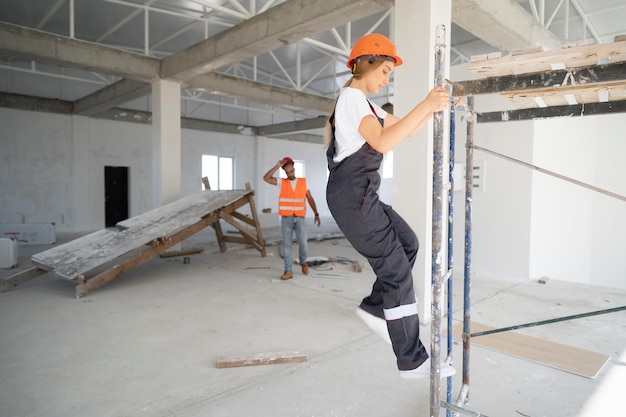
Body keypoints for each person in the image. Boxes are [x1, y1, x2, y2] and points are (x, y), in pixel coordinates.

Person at [325, 33, 457, 379]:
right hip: (352, 197)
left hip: (361, 194)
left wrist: (436, 107)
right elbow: (383, 142)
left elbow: (406, 130)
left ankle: (375, 309)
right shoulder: (352, 98)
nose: (386, 80)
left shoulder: (367, 106)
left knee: (408, 243)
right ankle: (411, 359)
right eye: (384, 71)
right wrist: (426, 105)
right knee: (396, 271)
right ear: (364, 64)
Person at [263, 157, 321, 280]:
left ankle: (303, 262)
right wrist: (277, 166)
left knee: (303, 244)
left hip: (300, 219)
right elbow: (266, 178)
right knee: (287, 245)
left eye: (291, 171)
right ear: (284, 172)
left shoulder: (303, 182)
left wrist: (316, 213)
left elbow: (309, 198)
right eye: (287, 172)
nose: (290, 174)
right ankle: (288, 271)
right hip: (286, 219)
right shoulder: (281, 182)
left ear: (294, 168)